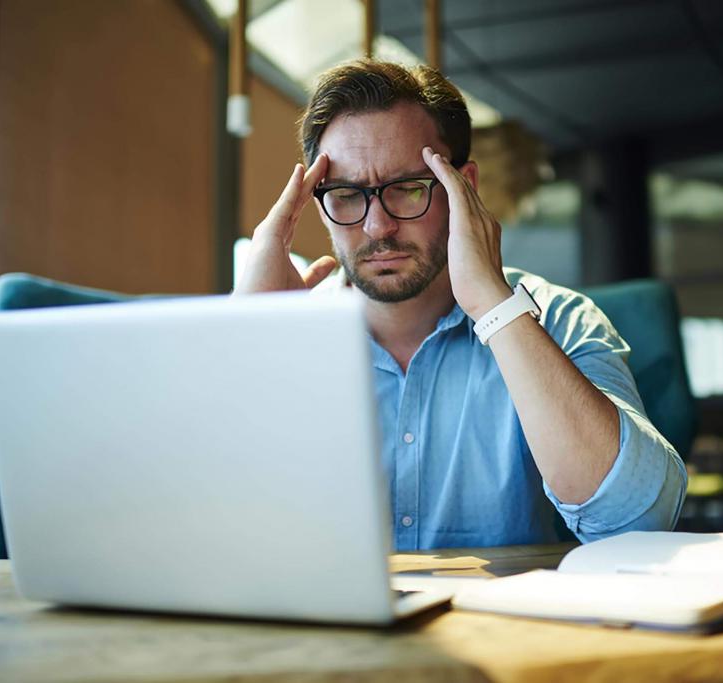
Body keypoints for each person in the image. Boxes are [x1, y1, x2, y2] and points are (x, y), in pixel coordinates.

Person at [234, 60, 686, 550]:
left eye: (407, 189)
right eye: (345, 195)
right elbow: (200, 530)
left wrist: (495, 307)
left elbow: (638, 519)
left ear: (463, 186)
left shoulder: (557, 318)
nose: (377, 227)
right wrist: (250, 343)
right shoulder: (283, 331)